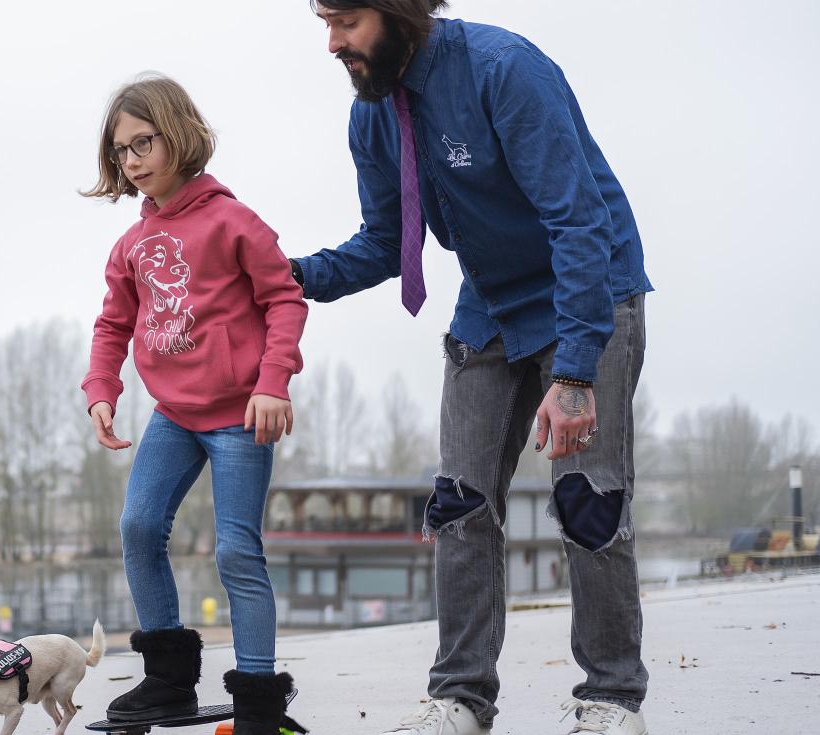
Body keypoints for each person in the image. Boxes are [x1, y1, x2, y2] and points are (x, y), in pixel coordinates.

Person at [290, 3, 653, 734]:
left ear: (397, 10)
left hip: (588, 294)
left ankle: (611, 699)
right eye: (325, 22)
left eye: (347, 21)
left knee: (589, 499)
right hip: (489, 302)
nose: (332, 43)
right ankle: (459, 698)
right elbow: (386, 240)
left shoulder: (503, 69)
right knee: (458, 502)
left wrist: (576, 372)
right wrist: (284, 274)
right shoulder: (373, 115)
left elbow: (578, 219)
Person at [80, 74, 309, 735]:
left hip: (242, 414)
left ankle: (260, 701)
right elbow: (112, 324)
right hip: (174, 415)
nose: (132, 160)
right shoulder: (130, 245)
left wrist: (273, 381)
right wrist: (102, 389)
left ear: (178, 135)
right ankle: (168, 681)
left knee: (237, 550)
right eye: (120, 150)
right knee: (136, 526)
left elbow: (284, 300)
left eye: (142, 142)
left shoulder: (233, 221)